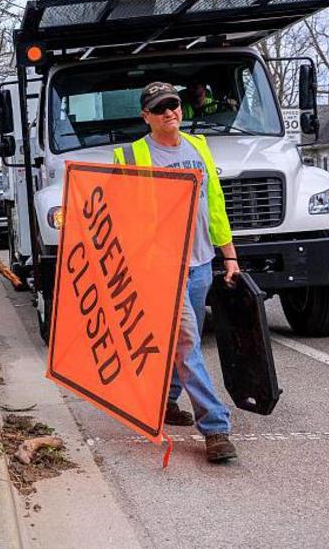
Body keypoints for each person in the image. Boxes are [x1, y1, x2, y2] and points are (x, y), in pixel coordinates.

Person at [114, 81, 241, 463]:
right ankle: (215, 427)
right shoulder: (132, 155)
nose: (170, 112)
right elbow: (120, 216)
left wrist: (229, 255)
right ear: (146, 116)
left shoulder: (198, 147)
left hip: (201, 260)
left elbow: (214, 206)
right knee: (187, 341)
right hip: (160, 267)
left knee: (181, 340)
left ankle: (166, 401)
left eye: (174, 104)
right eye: (160, 108)